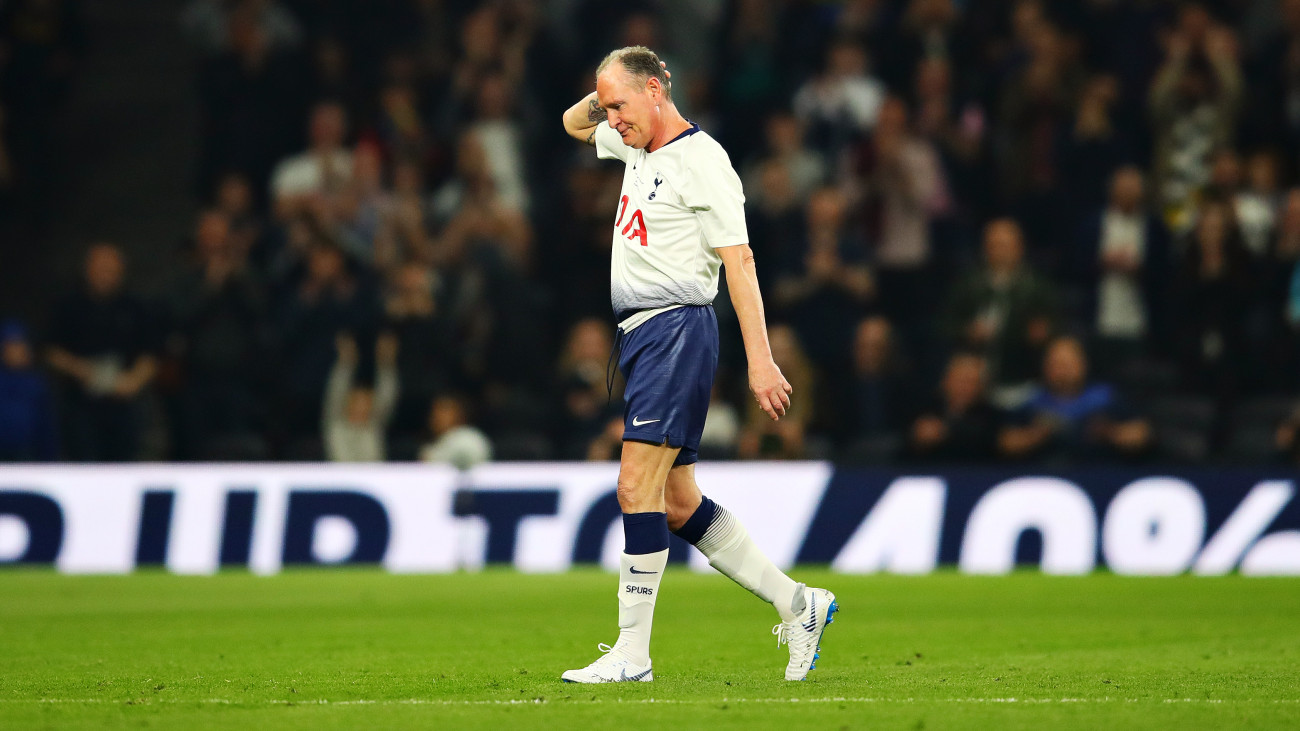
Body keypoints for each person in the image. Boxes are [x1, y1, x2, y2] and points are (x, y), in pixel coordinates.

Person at [558, 47, 836, 684]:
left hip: (677, 330)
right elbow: (573, 125)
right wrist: (606, 96)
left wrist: (761, 363)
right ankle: (799, 604)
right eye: (611, 108)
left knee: (635, 487)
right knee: (679, 503)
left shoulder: (703, 161)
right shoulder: (637, 146)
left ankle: (632, 654)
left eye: (623, 105)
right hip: (642, 337)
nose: (612, 119)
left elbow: (739, 264)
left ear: (657, 90)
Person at [322, 332, 398, 462]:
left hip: (373, 478)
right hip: (341, 478)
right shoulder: (335, 424)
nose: (361, 407)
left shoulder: (374, 425)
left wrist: (386, 364)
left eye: (366, 402)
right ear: (348, 403)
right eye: (357, 401)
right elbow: (336, 392)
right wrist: (345, 364)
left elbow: (388, 395)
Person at [0, 319, 58, 461]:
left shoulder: (37, 383)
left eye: (20, 345)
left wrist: (50, 458)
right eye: (10, 346)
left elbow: (47, 425)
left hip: (28, 456)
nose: (16, 351)